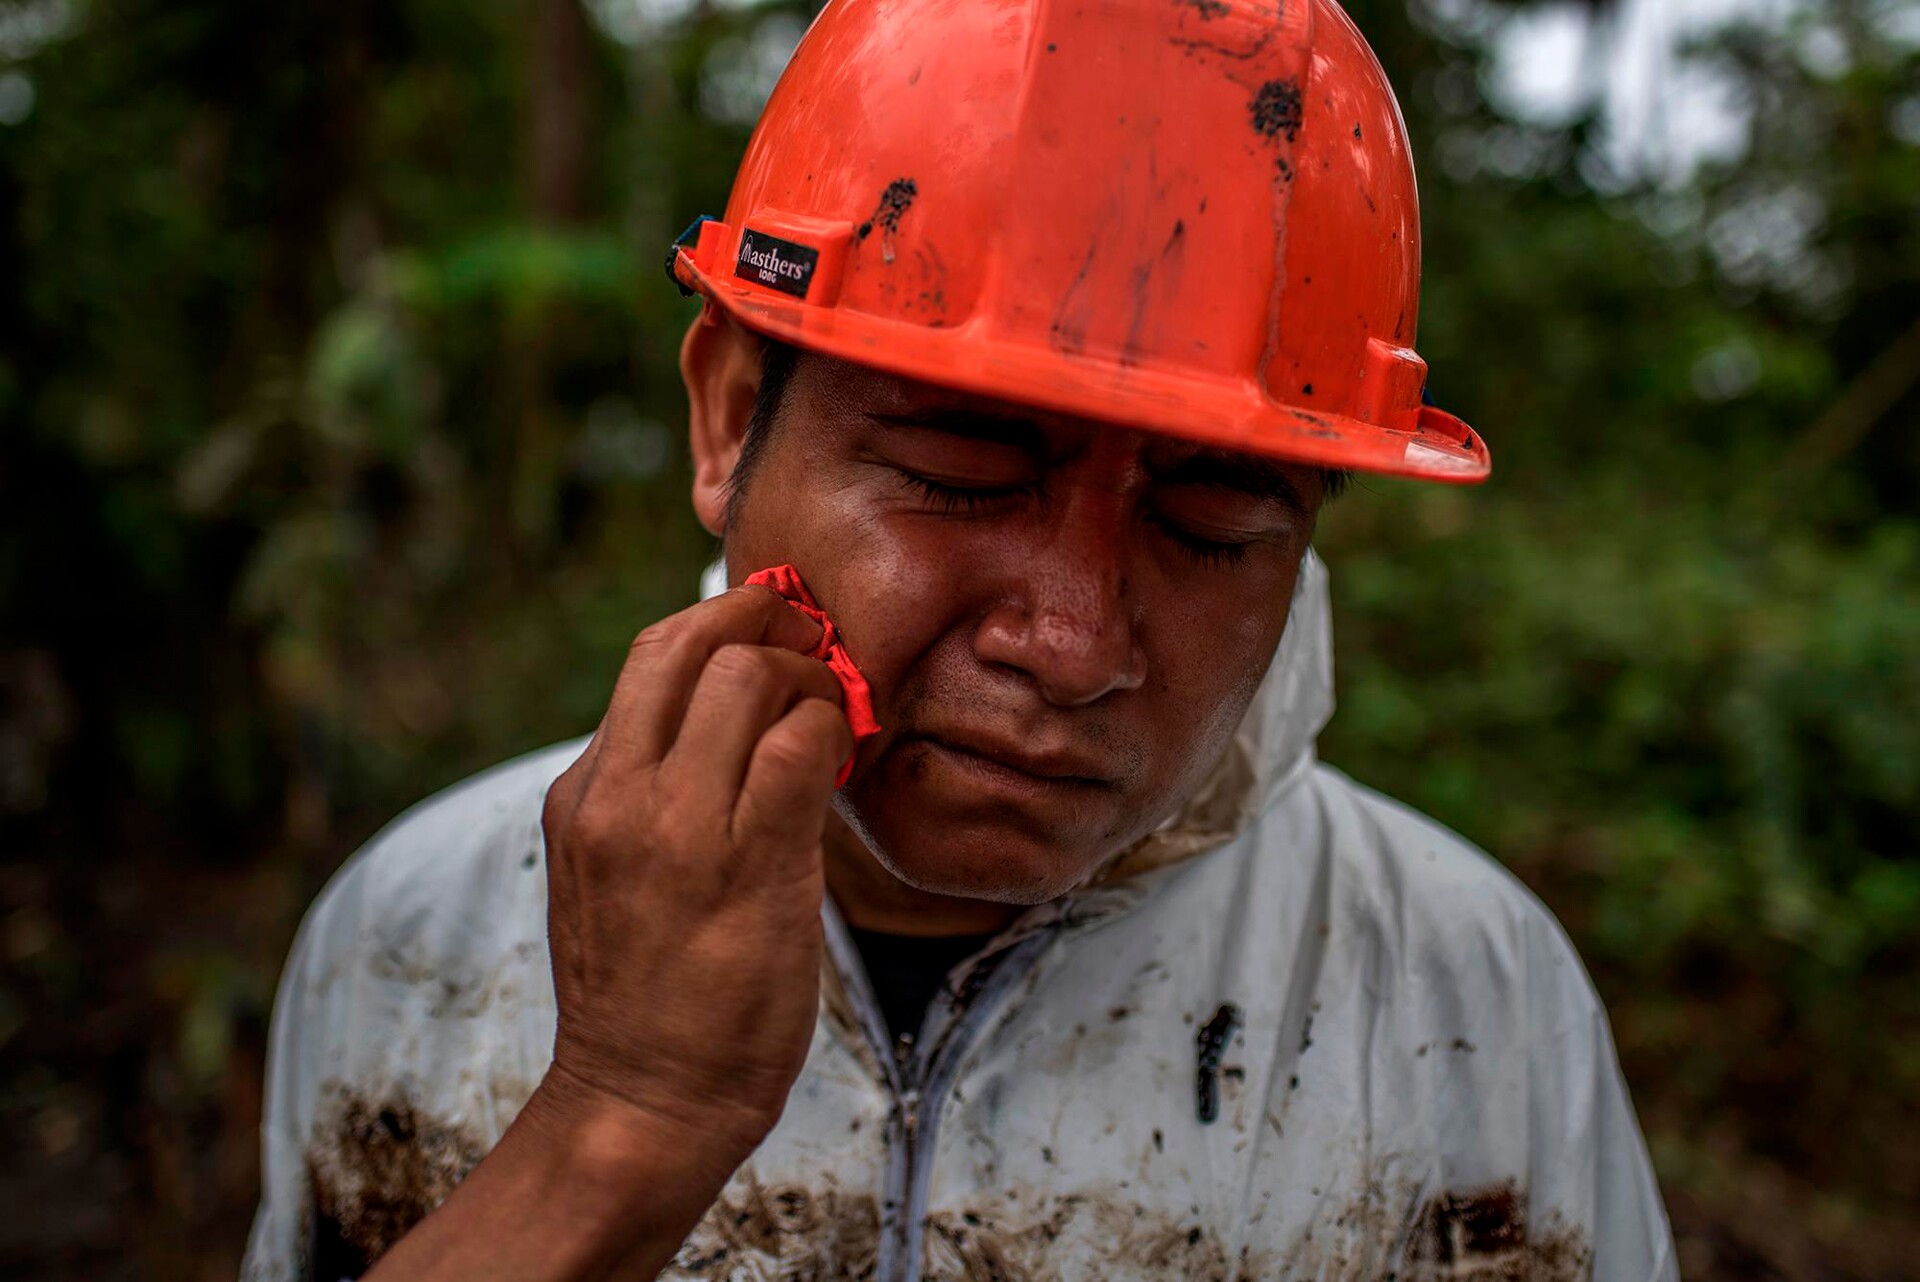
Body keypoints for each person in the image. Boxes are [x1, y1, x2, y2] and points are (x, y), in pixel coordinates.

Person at [241, 0, 1678, 1278]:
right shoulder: (421, 939)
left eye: (1211, 524)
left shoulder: (1465, 1004)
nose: (1071, 640)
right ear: (734, 418)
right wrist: (619, 1122)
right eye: (960, 473)